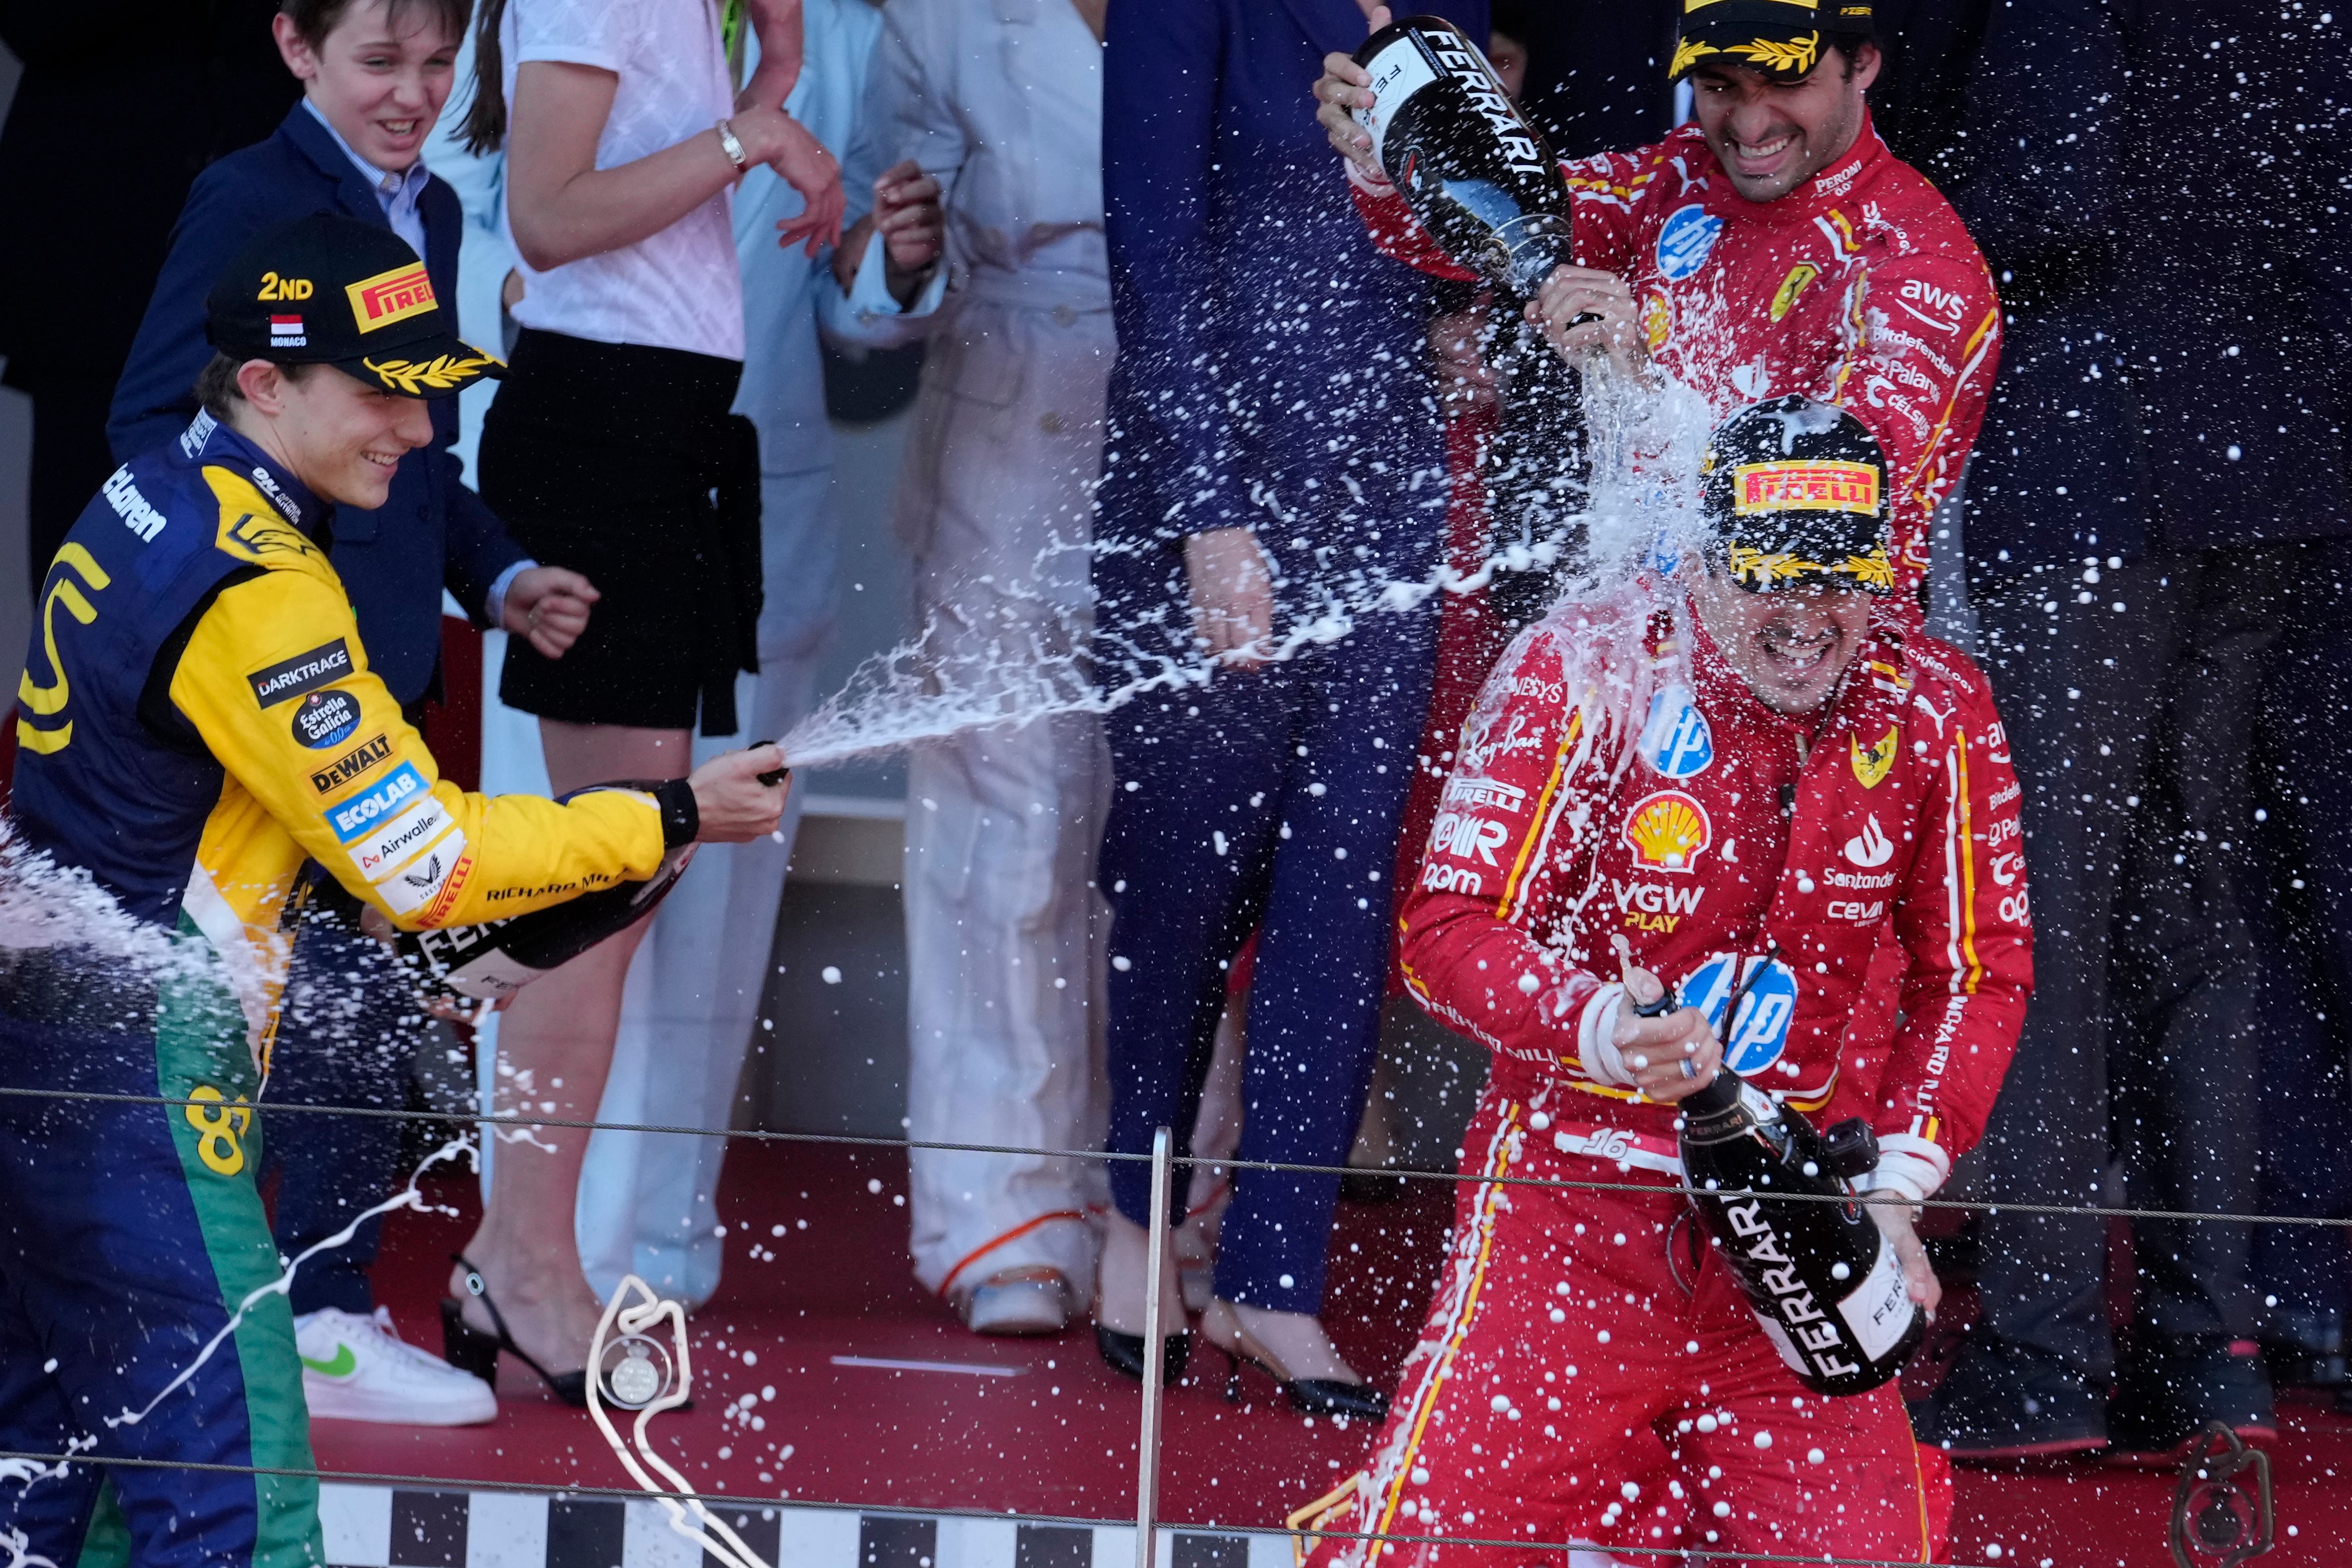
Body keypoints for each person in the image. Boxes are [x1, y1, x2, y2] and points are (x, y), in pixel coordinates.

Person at [0, 212, 787, 1568]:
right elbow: (426, 863)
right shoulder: (259, 588)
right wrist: (664, 815)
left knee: (54, 1472)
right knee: (238, 1500)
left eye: (426, 395)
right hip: (143, 1068)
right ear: (262, 385)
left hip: (51, 1034)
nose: (417, 433)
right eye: (381, 395)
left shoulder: (148, 493)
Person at [1292, 397, 2032, 1567]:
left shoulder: (1938, 704)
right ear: (1700, 555)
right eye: (1771, 576)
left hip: (1801, 1238)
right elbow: (1443, 928)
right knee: (1430, 1553)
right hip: (1569, 1223)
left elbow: (1977, 973)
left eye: (1840, 579)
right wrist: (1585, 1020)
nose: (1807, 615)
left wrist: (1898, 1183)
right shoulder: (1582, 662)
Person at [105, 0, 600, 1428]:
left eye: (441, 65)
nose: (415, 94)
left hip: (383, 679)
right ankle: (274, 1312)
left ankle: (321, 1304)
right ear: (293, 48)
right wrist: (266, 601)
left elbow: (411, 436)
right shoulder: (250, 196)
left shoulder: (434, 207)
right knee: (249, 1012)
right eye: (380, 62)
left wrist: (496, 571)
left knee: (363, 1010)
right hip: (274, 698)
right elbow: (155, 422)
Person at [1912, 0, 2352, 1462]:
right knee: (2195, 911)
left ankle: (2042, 1355)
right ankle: (2203, 1342)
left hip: (2105, 461)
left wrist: (1944, 190)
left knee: (2052, 911)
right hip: (2268, 460)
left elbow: (2049, 184)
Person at [1089, 0, 1488, 1413]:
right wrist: (1206, 513)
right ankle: (1138, 1221)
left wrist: (1464, 318)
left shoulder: (1451, 12)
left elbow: (1457, 222)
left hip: (1388, 500)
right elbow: (1151, 239)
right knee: (1179, 879)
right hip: (1212, 500)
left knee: (1340, 895)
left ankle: (1274, 1275)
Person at [444, 0, 841, 1394]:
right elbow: (548, 217)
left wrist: (773, 72)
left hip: (659, 428)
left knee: (626, 868)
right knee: (611, 869)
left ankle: (523, 1248)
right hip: (601, 430)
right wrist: (752, 130)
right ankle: (522, 1257)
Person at [571, 0, 886, 1311]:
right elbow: (513, 241)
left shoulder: (855, 39)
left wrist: (896, 263)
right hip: (578, 500)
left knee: (712, 897)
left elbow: (863, 313)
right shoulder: (574, 15)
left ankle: (658, 1252)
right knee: (563, 875)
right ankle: (540, 1241)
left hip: (765, 505)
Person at [820, 0, 1113, 1337]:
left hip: (1204, 416)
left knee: (1174, 840)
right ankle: (1002, 1217)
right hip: (1007, 416)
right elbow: (873, 290)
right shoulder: (938, 20)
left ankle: (1163, 1209)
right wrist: (903, 258)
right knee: (1010, 831)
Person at [0, 2, 298, 588]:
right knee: (90, 542)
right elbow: (33, 23)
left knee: (280, 523)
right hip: (95, 252)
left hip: (272, 224)